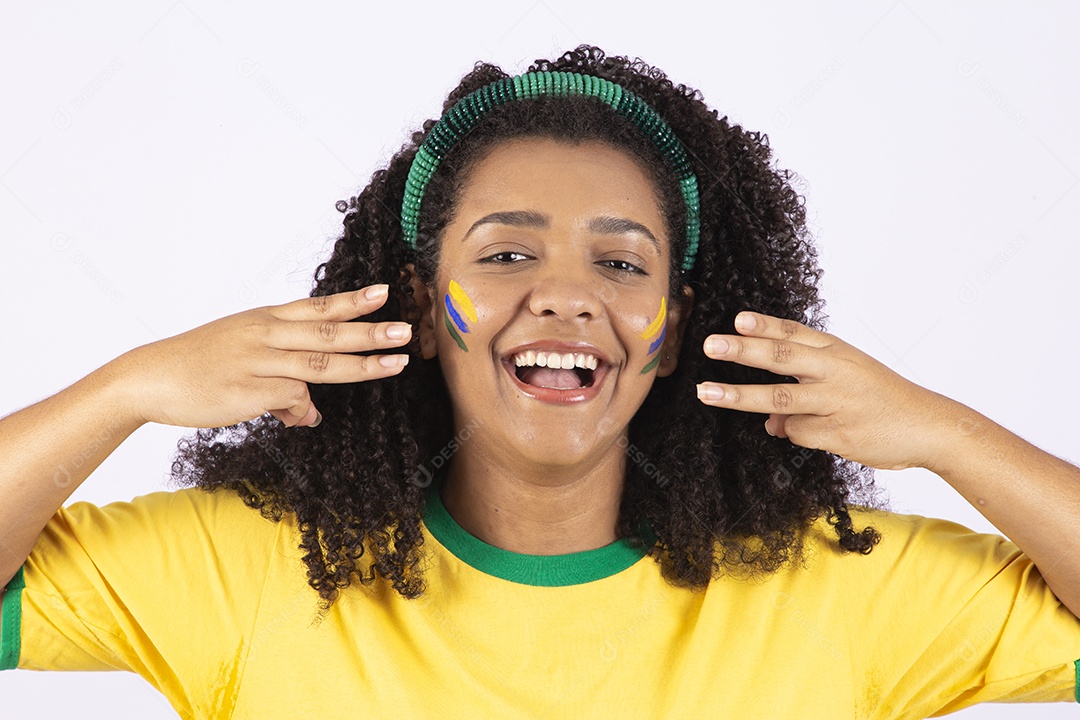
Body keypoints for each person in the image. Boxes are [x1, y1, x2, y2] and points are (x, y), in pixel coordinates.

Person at [1, 44, 1078, 718]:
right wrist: (125, 390)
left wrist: (946, 434)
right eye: (509, 254)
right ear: (425, 308)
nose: (566, 297)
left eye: (620, 264)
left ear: (674, 327)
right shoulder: (245, 574)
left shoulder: (844, 597)